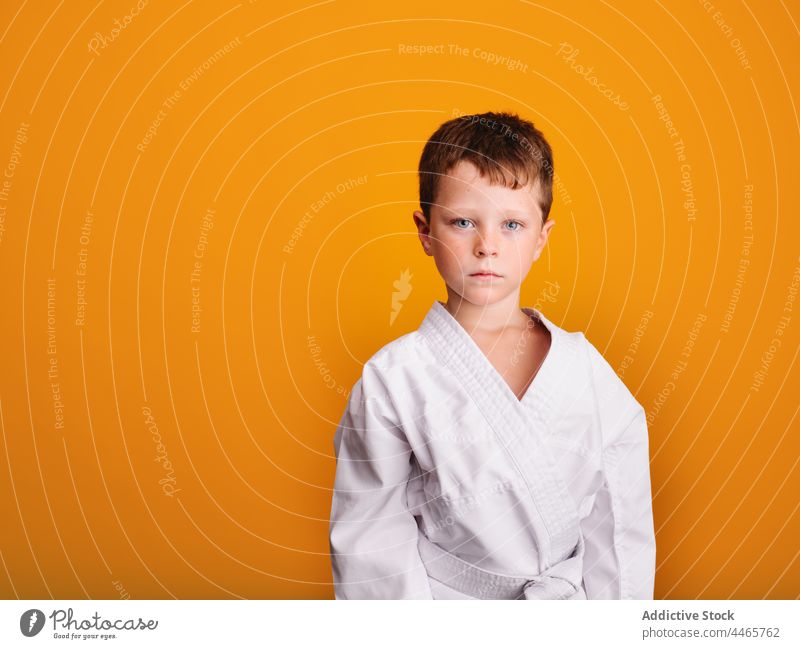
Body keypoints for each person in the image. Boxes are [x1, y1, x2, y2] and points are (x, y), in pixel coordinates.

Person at [329, 111, 655, 599]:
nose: (487, 247)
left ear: (542, 236)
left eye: (512, 224)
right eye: (463, 222)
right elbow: (371, 547)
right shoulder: (392, 381)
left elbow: (621, 533)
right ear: (425, 230)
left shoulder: (585, 372)